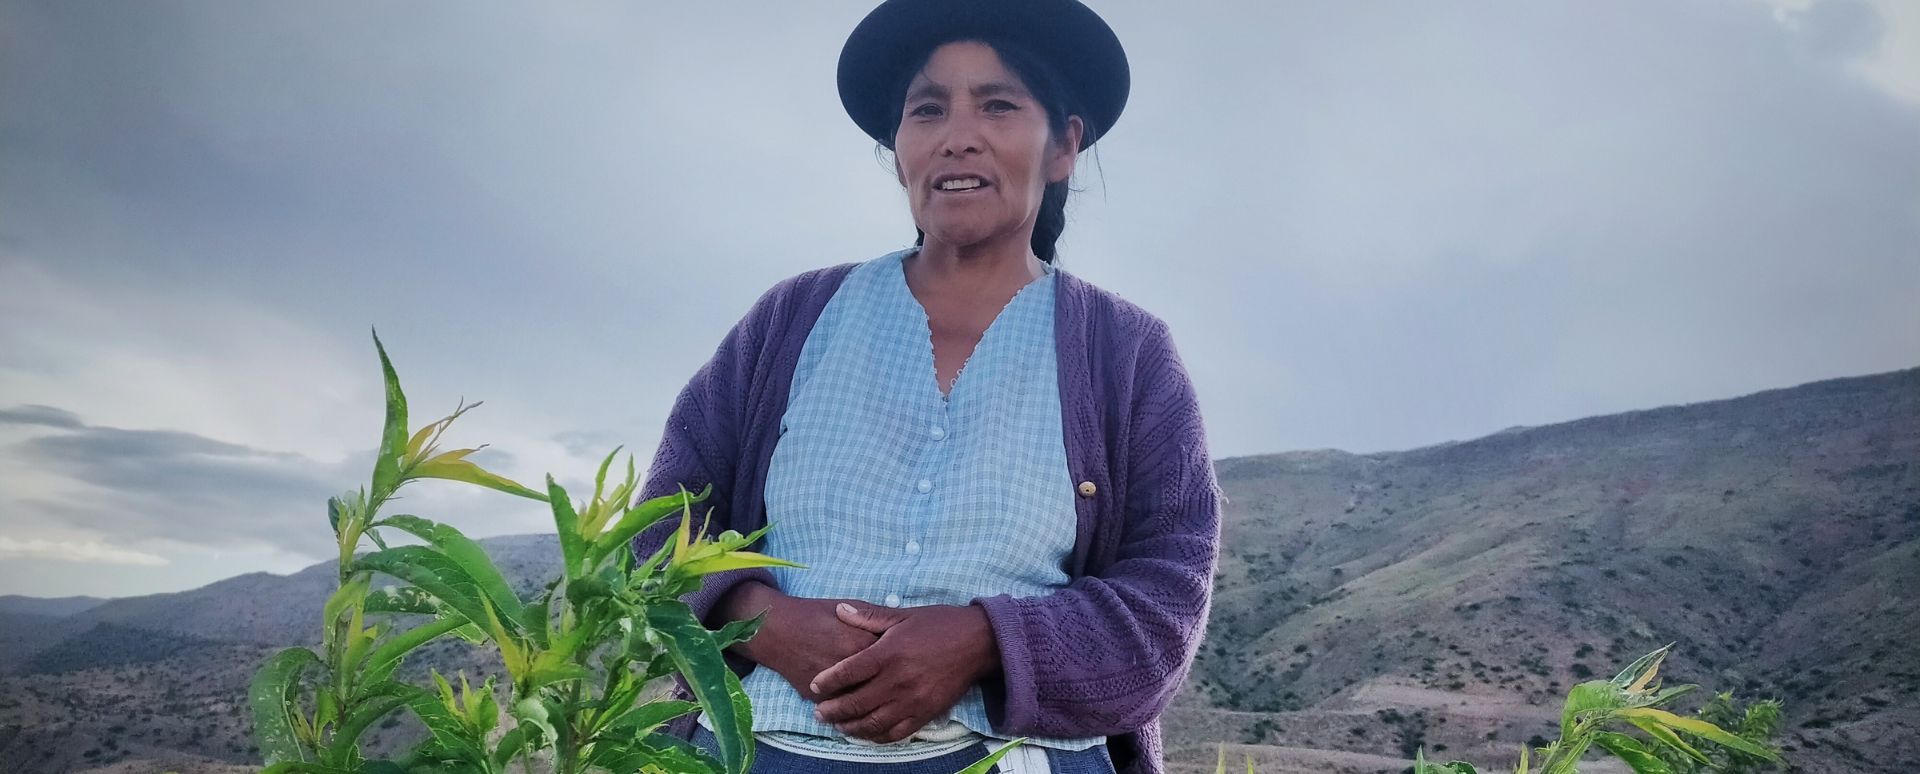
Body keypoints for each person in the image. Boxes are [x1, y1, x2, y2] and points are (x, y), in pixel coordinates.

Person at [633, 1, 1222, 772]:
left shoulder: (1127, 353)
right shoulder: (792, 321)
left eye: (999, 105)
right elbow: (657, 527)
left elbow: (1166, 596)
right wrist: (760, 619)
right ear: (898, 149)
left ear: (1063, 147)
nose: (958, 135)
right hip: (755, 750)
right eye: (928, 109)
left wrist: (986, 640)